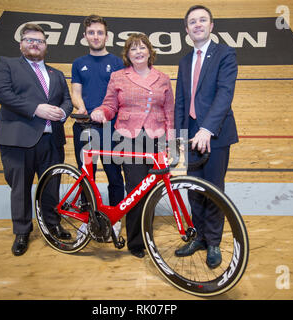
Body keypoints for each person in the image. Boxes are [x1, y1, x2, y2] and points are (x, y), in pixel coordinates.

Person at [0, 23, 73, 256]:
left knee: (51, 185)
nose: (34, 44)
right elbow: (2, 93)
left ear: (46, 46)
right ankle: (22, 231)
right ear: (21, 44)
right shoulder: (6, 64)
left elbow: (66, 99)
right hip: (18, 140)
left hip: (51, 140)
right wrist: (36, 108)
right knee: (20, 187)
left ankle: (52, 224)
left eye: (39, 41)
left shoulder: (56, 74)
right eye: (30, 40)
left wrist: (63, 113)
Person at [91, 33, 174, 258]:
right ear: (127, 55)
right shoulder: (118, 76)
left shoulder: (163, 78)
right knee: (136, 190)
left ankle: (147, 235)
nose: (138, 52)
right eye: (133, 49)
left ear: (149, 51)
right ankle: (136, 242)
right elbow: (110, 105)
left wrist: (171, 144)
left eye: (142, 47)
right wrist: (102, 112)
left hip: (157, 139)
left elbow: (169, 112)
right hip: (128, 139)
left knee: (152, 190)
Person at [174, 5, 239, 268]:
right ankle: (199, 237)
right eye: (192, 21)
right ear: (187, 29)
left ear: (211, 26)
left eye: (202, 20)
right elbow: (181, 101)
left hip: (215, 136)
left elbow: (225, 94)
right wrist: (177, 137)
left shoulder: (225, 54)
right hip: (189, 137)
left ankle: (213, 242)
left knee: (213, 191)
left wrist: (207, 129)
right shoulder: (184, 60)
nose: (197, 24)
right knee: (194, 191)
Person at [71, 15, 124, 238]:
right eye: (91, 32)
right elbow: (75, 92)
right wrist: (82, 108)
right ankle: (88, 217)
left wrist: (105, 112)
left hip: (111, 129)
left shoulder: (118, 62)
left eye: (99, 32)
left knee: (114, 175)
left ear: (106, 36)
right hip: (85, 129)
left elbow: (121, 93)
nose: (95, 36)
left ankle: (116, 217)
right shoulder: (78, 63)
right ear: (85, 37)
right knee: (87, 175)